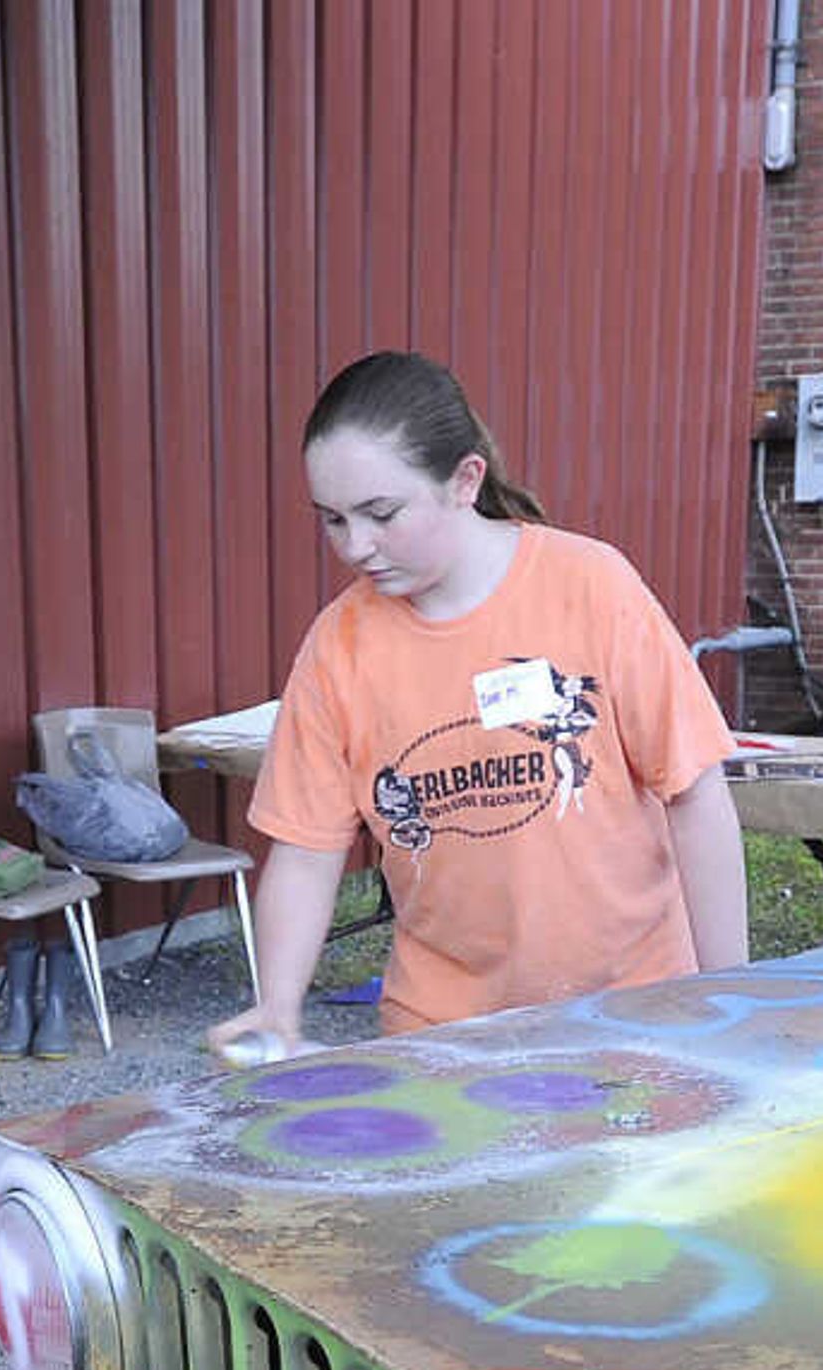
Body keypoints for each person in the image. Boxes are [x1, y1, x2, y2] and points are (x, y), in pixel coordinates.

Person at [208, 350, 747, 1056]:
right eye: (333, 520)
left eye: (381, 513)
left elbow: (695, 794)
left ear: (465, 481)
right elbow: (307, 852)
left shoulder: (591, 587)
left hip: (633, 1014)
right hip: (445, 1040)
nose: (355, 546)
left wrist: (734, 993)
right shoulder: (338, 648)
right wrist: (277, 1010)